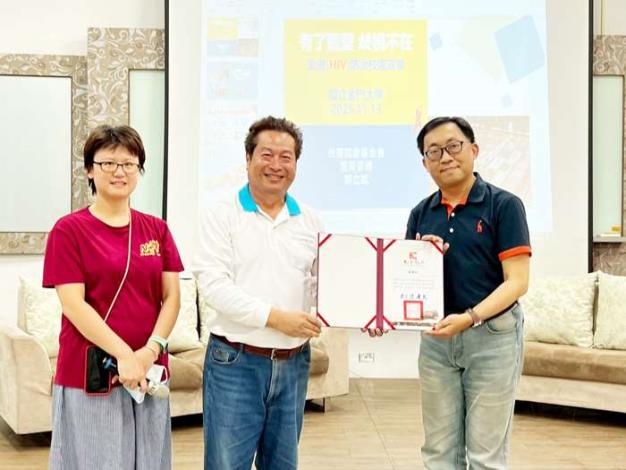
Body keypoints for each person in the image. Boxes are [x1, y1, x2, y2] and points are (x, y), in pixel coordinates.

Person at [43, 125, 183, 469]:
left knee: (150, 462)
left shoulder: (157, 229)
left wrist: (149, 352)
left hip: (148, 372)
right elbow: (74, 305)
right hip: (91, 374)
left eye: (129, 164)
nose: (119, 172)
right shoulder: (68, 230)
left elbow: (172, 298)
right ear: (90, 170)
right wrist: (124, 355)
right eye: (108, 163)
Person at [193, 116, 323, 470]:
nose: (276, 165)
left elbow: (325, 286)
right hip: (235, 363)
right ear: (248, 158)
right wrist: (275, 318)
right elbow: (214, 286)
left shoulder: (310, 220)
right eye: (267, 155)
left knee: (282, 465)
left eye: (286, 157)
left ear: (296, 164)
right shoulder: (221, 214)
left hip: (294, 363)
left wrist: (372, 311)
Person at [406, 116, 531, 469]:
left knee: (485, 456)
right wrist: (424, 255)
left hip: (492, 337)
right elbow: (408, 281)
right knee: (438, 452)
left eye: (453, 146)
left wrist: (471, 318)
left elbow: (517, 281)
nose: (445, 157)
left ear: (473, 150)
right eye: (433, 151)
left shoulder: (504, 205)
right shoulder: (420, 213)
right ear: (425, 163)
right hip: (436, 341)